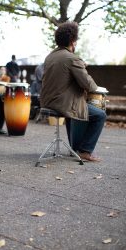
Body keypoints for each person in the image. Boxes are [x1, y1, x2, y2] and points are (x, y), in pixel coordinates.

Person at [40, 21, 107, 162]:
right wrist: (82, 66)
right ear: (72, 41)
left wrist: (79, 65)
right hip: (61, 104)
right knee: (99, 115)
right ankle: (85, 150)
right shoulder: (72, 58)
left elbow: (62, 76)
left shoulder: (50, 56)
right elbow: (89, 85)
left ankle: (75, 147)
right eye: (75, 41)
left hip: (47, 102)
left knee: (76, 106)